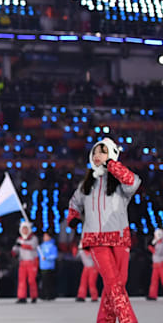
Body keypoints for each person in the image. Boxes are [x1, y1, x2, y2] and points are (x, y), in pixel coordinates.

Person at [67, 137, 140, 323]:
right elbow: (74, 202)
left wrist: (112, 165)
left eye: (103, 151)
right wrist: (74, 218)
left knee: (117, 284)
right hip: (96, 240)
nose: (98, 155)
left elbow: (132, 182)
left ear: (112, 154)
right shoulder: (87, 183)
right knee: (114, 284)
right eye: (96, 152)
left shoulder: (120, 182)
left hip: (120, 238)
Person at [12, 221, 38, 303]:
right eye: (23, 229)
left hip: (31, 262)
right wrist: (14, 251)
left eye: (26, 229)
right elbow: (15, 250)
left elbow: (32, 246)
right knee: (21, 280)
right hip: (22, 262)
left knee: (31, 280)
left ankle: (34, 296)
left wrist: (22, 245)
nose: (24, 231)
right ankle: (21, 297)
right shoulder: (19, 239)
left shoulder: (33, 238)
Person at [39, 232, 58, 300]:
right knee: (43, 282)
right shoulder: (41, 246)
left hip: (49, 267)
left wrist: (47, 258)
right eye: (44, 236)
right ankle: (44, 294)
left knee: (49, 282)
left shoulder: (52, 246)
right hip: (42, 267)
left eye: (46, 236)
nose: (44, 238)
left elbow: (55, 256)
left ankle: (50, 295)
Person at [148, 228, 163, 300]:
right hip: (156, 264)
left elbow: (158, 253)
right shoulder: (157, 242)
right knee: (154, 281)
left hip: (161, 264)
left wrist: (151, 249)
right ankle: (152, 295)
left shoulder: (161, 244)